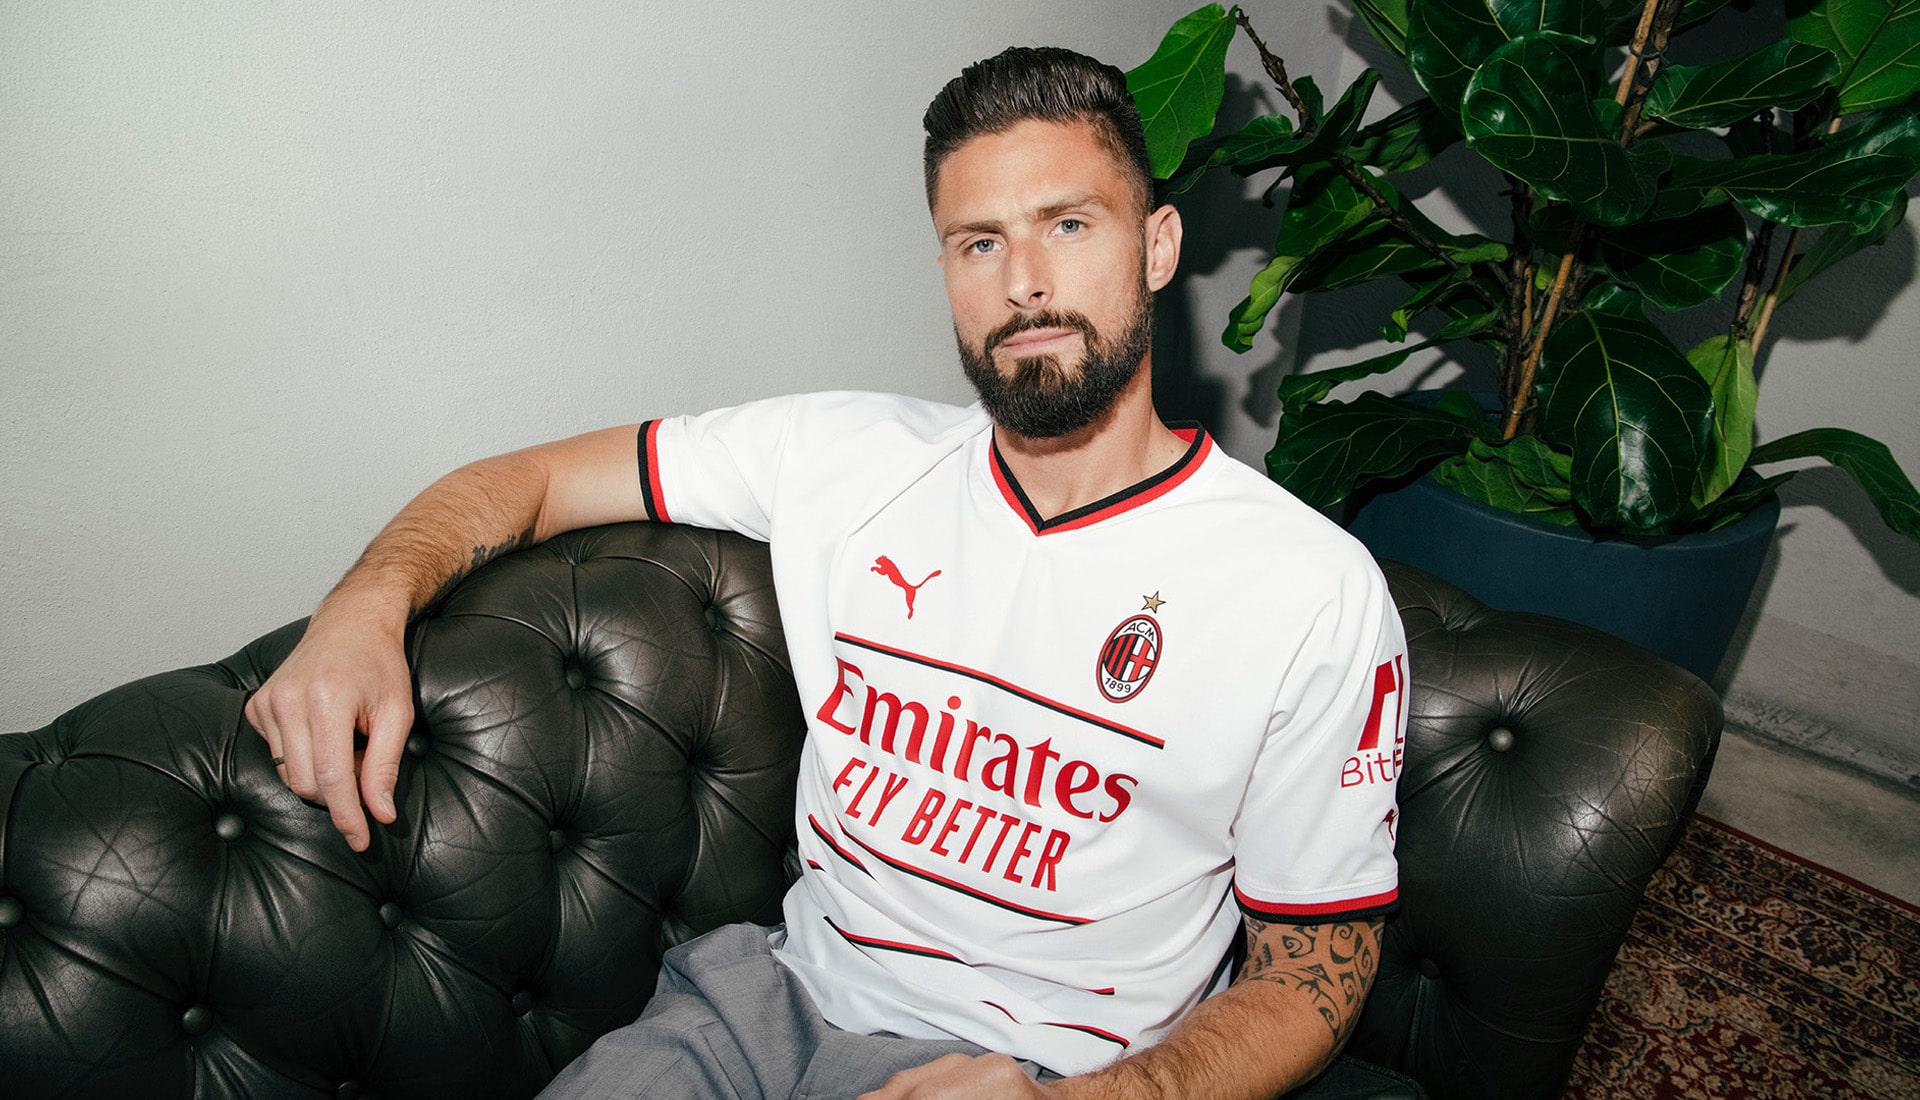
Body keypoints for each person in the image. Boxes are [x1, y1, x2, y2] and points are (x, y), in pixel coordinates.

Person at [245, 45, 1410, 1100]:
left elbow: (1314, 973)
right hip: (761, 1008)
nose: (1022, 283)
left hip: (1057, 1070)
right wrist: (364, 606)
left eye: (1067, 224)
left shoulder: (1306, 588)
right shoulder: (842, 456)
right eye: (980, 242)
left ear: (1156, 246)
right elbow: (533, 478)